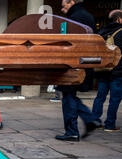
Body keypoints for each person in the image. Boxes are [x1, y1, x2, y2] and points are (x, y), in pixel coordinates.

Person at [55, 0, 99, 141]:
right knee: (70, 96)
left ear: (72, 1)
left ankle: (72, 131)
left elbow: (70, 43)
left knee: (68, 97)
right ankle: (91, 119)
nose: (62, 9)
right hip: (83, 62)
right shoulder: (87, 16)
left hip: (72, 64)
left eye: (64, 6)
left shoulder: (75, 18)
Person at [91, 10, 122, 132]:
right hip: (117, 70)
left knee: (100, 97)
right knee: (114, 98)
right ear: (119, 19)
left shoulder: (102, 32)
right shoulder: (120, 32)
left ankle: (94, 121)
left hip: (103, 69)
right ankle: (110, 124)